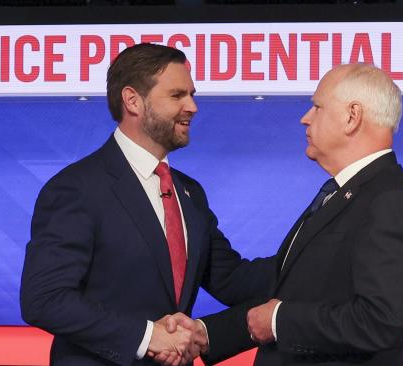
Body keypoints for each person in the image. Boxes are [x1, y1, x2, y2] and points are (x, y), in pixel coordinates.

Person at [20, 43, 273, 366]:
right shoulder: (77, 188)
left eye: (191, 94)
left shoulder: (190, 193)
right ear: (133, 100)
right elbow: (45, 299)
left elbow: (232, 279)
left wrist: (309, 255)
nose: (192, 106)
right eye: (177, 95)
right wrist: (146, 336)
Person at [166, 63, 403, 366]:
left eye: (317, 107)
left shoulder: (390, 199)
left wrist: (279, 320)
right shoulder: (344, 193)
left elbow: (380, 322)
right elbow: (287, 288)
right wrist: (207, 332)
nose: (305, 118)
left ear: (351, 116)